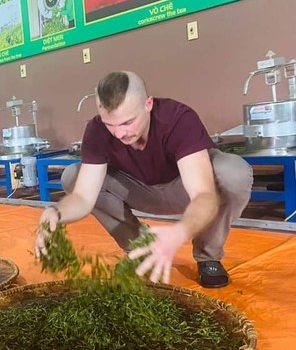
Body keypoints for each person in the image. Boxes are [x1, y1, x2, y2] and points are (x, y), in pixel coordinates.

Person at [35, 71, 253, 288]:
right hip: (138, 188)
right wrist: (54, 212)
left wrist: (180, 232)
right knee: (72, 176)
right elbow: (83, 197)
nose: (120, 134)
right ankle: (141, 248)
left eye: (128, 122)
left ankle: (208, 257)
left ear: (148, 104)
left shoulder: (177, 119)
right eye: (111, 124)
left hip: (183, 189)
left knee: (234, 172)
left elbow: (203, 194)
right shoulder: (97, 130)